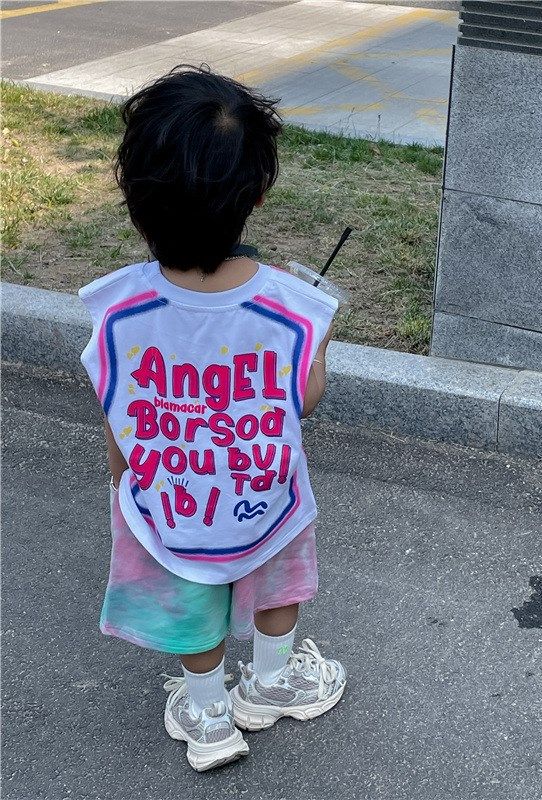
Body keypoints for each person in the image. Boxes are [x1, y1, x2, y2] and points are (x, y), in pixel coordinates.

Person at [78, 64, 346, 772]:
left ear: (135, 196)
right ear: (256, 194)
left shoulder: (116, 310)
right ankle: (274, 681)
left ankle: (208, 715)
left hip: (170, 498)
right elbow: (302, 402)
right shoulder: (296, 309)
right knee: (278, 584)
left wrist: (123, 484)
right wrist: (317, 348)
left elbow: (118, 412)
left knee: (191, 598)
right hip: (267, 496)